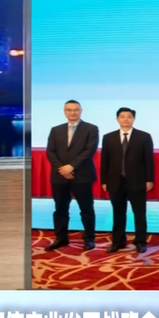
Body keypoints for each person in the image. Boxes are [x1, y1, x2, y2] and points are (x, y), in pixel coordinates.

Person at [44, 100, 99, 251]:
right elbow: (50, 152)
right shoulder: (56, 130)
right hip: (59, 175)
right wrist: (62, 169)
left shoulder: (91, 129)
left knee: (86, 209)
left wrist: (71, 166)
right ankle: (61, 238)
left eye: (75, 110)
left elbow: (90, 150)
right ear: (64, 112)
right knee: (60, 209)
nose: (72, 112)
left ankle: (89, 239)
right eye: (69, 110)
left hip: (82, 175)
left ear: (81, 111)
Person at [100, 107, 154, 253]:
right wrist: (104, 181)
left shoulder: (144, 136)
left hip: (137, 181)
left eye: (129, 116)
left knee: (139, 214)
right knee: (118, 213)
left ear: (133, 119)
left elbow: (149, 160)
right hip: (115, 181)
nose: (125, 119)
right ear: (117, 119)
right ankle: (118, 241)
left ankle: (140, 242)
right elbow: (105, 161)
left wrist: (149, 179)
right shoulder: (108, 137)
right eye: (122, 116)